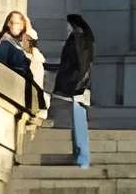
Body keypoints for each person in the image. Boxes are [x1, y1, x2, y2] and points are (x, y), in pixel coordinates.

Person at [50, 14, 96, 169]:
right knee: (78, 120)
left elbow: (80, 64)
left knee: (78, 121)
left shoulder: (78, 37)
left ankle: (82, 157)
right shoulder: (85, 37)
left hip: (77, 85)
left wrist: (77, 84)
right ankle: (80, 155)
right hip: (82, 84)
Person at [0, 9, 45, 130]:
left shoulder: (18, 41)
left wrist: (29, 28)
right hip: (13, 79)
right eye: (14, 23)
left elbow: (32, 47)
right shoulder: (6, 41)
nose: (17, 27)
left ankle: (33, 111)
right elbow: (1, 64)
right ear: (8, 24)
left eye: (20, 24)